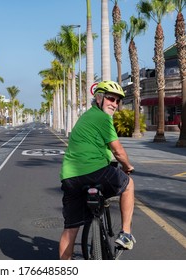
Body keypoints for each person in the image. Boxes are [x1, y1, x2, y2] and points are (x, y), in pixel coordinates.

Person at [59, 80, 135, 260]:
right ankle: (126, 234)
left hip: (70, 177)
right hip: (95, 171)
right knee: (128, 185)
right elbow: (118, 151)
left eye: (118, 101)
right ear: (99, 98)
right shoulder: (103, 119)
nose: (115, 104)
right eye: (111, 98)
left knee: (71, 228)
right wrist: (128, 167)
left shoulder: (86, 116)